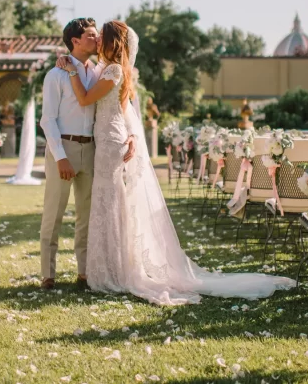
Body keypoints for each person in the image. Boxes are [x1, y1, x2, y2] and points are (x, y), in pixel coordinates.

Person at [55, 20, 295, 305]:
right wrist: (132, 134)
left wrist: (70, 70)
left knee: (111, 201)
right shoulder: (109, 69)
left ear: (111, 42)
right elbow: (125, 112)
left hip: (110, 142)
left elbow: (84, 100)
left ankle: (116, 270)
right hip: (110, 138)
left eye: (101, 37)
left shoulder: (116, 70)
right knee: (110, 201)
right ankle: (111, 266)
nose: (97, 41)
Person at [38, 18, 136, 290]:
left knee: (87, 215)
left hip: (93, 149)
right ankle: (48, 275)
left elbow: (120, 103)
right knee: (53, 213)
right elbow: (48, 120)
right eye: (92, 35)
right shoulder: (55, 75)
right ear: (75, 41)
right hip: (64, 148)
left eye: (98, 35)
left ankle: (85, 273)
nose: (97, 39)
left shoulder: (98, 72)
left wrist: (132, 134)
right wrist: (60, 157)